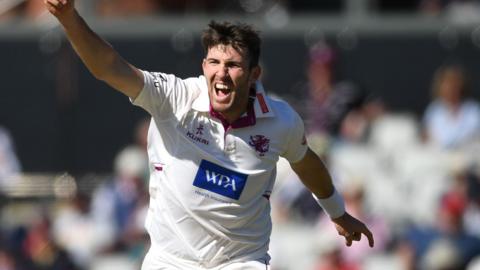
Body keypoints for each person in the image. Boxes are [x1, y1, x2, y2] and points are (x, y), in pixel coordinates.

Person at [44, 0, 374, 268]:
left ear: (254, 74)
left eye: (233, 65)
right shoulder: (174, 98)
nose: (222, 73)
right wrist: (70, 18)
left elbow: (306, 163)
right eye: (214, 62)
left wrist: (338, 212)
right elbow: (108, 67)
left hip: (240, 261)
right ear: (203, 66)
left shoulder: (281, 120)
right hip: (171, 261)